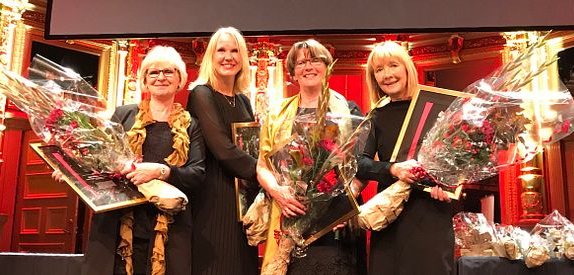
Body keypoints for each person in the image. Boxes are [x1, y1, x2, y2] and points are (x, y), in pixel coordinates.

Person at [83, 45, 206, 275]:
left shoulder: (191, 124)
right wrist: (72, 170)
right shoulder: (123, 115)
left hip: (168, 226)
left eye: (168, 72)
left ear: (180, 78)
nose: (161, 77)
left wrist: (161, 171)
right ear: (144, 80)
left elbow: (197, 174)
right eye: (153, 72)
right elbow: (100, 160)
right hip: (121, 221)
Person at [257, 39, 363, 275]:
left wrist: (342, 206)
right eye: (301, 62)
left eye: (315, 60)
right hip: (291, 215)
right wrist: (280, 193)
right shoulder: (277, 114)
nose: (308, 67)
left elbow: (359, 167)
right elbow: (262, 166)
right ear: (293, 73)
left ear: (327, 66)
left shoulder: (348, 110)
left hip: (336, 224)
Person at [356, 41, 453, 275]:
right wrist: (393, 169)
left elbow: (456, 160)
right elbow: (359, 163)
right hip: (390, 219)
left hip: (431, 215)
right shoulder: (375, 116)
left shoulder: (438, 108)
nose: (387, 75)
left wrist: (448, 187)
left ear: (407, 68)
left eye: (393, 65)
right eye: (379, 70)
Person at [186, 27, 259, 275]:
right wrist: (264, 173)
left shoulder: (244, 100)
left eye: (234, 51)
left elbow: (252, 145)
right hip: (213, 197)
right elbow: (222, 149)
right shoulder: (201, 93)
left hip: (244, 200)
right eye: (221, 50)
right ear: (210, 56)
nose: (228, 57)